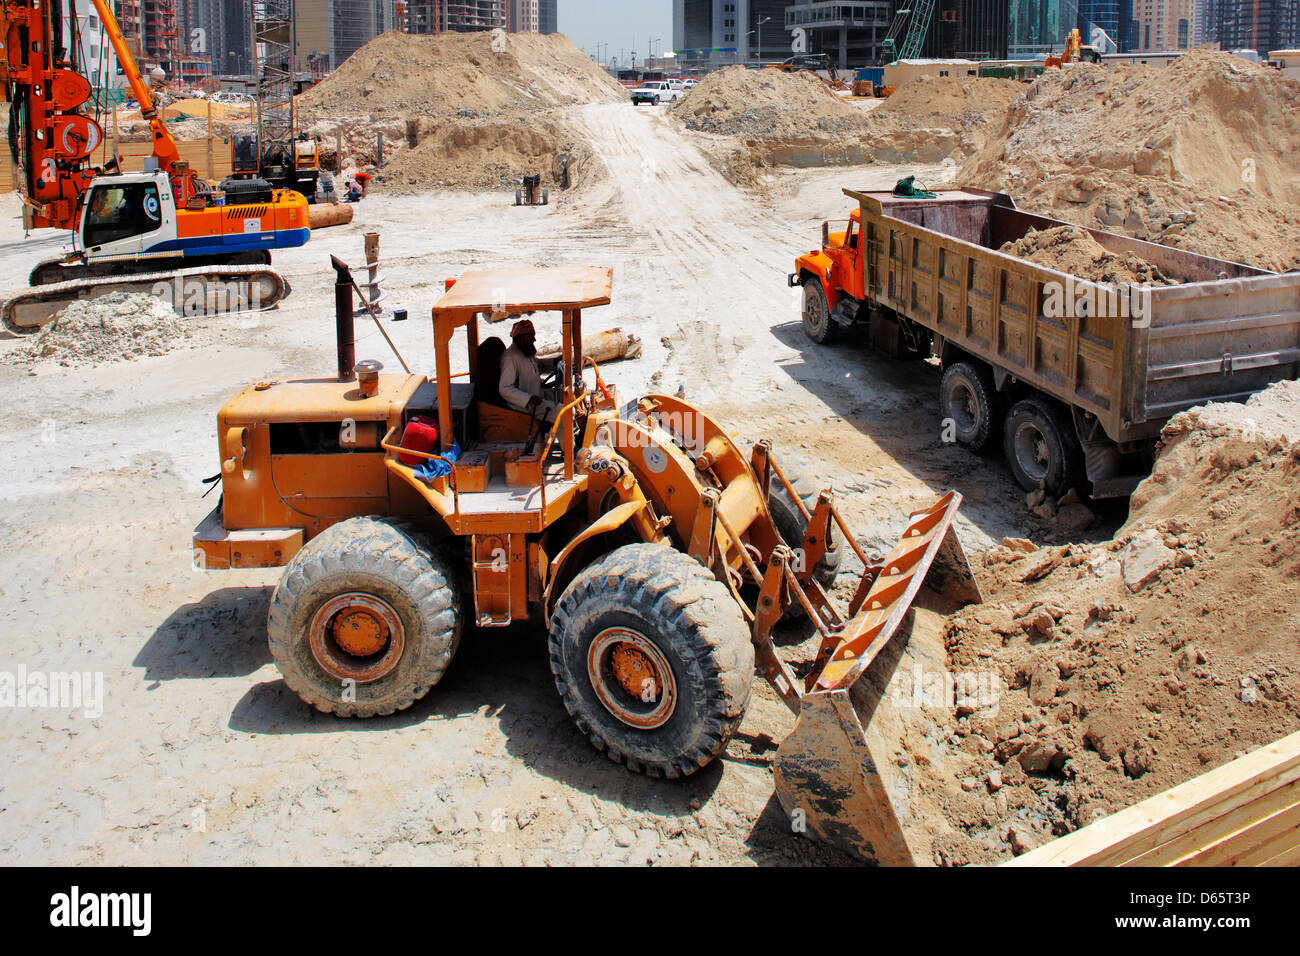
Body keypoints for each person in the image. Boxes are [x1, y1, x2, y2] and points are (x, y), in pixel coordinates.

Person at [499, 318, 558, 422]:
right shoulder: (510, 357)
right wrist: (529, 399)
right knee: (563, 412)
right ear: (520, 338)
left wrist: (555, 362)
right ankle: (564, 438)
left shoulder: (525, 351)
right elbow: (505, 388)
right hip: (525, 406)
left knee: (567, 397)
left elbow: (538, 365)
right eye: (531, 336)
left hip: (538, 393)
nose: (534, 339)